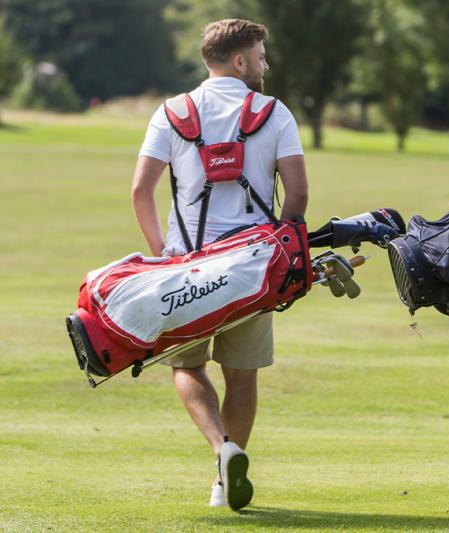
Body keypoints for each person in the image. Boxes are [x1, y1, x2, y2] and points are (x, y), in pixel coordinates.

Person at [131, 18, 308, 510]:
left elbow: (140, 190)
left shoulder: (171, 112)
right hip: (252, 268)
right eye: (260, 56)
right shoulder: (275, 113)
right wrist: (280, 250)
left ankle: (220, 447)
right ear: (240, 61)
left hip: (187, 268)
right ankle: (223, 479)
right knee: (242, 372)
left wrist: (162, 252)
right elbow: (297, 196)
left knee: (186, 366)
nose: (264, 64)